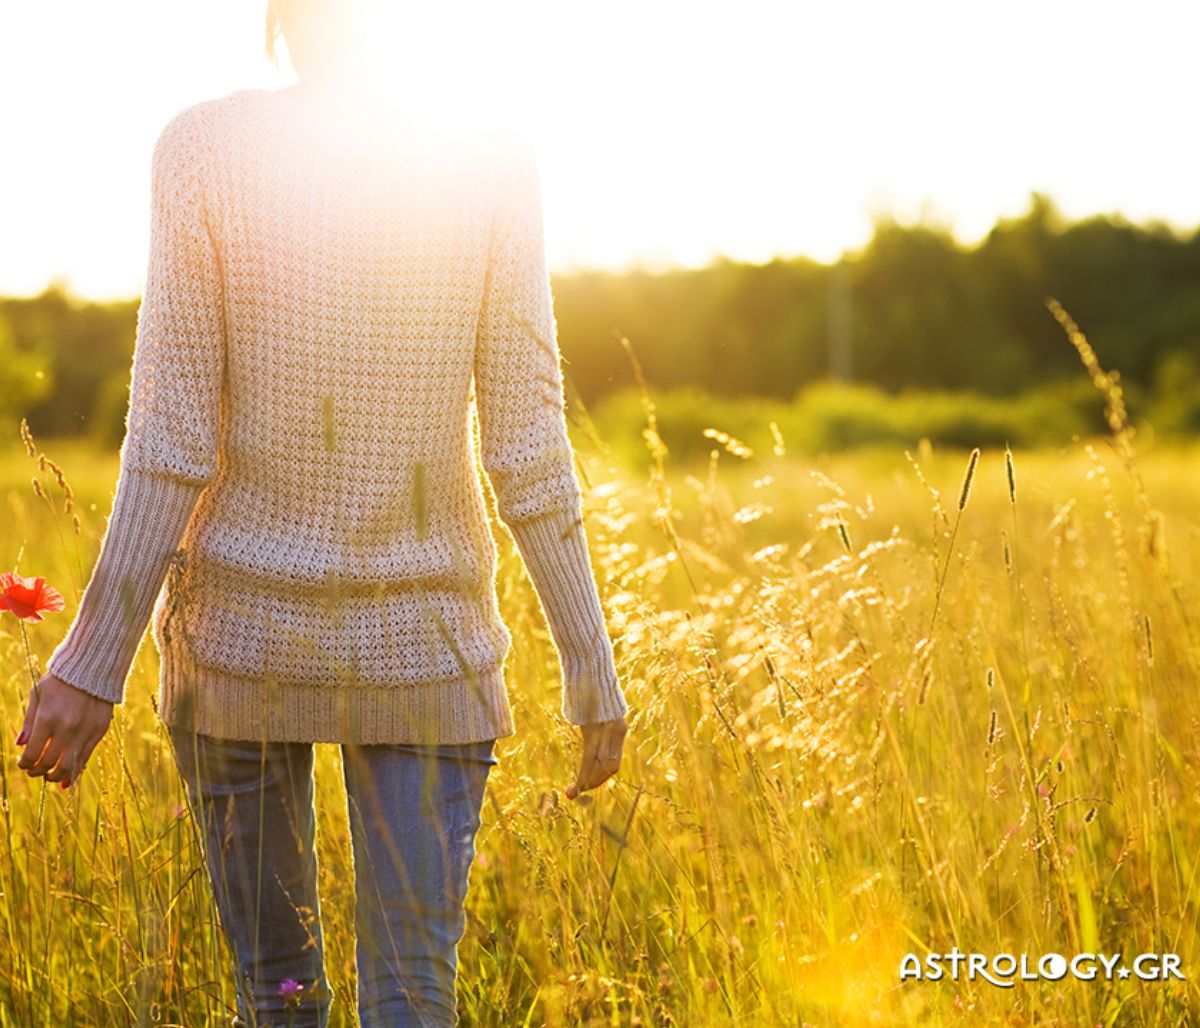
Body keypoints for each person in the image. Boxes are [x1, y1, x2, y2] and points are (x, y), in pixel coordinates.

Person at [14, 1, 631, 1024]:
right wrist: (590, 666)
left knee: (282, 994)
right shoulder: (487, 162)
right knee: (411, 994)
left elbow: (170, 443)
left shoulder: (203, 150)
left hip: (238, 650)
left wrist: (90, 662)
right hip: (426, 653)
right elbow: (527, 445)